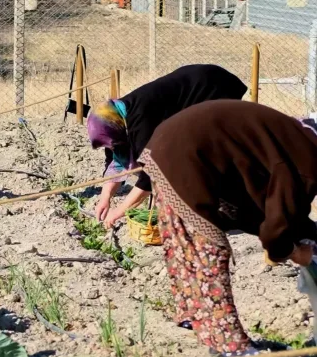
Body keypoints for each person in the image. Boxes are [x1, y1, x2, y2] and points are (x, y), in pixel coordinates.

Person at [136, 100, 317, 356]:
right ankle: (230, 346)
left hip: (170, 145)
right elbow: (276, 226)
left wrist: (304, 236)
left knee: (185, 247)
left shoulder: (301, 138)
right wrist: (291, 251)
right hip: (185, 156)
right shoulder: (307, 161)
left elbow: (275, 206)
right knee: (209, 251)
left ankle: (194, 319)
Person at [87, 64, 248, 229]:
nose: (112, 148)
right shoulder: (114, 119)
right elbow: (115, 162)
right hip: (192, 86)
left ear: (118, 130)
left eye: (112, 143)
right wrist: (105, 198)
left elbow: (151, 175)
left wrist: (119, 211)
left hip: (211, 88)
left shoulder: (140, 123)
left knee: (201, 154)